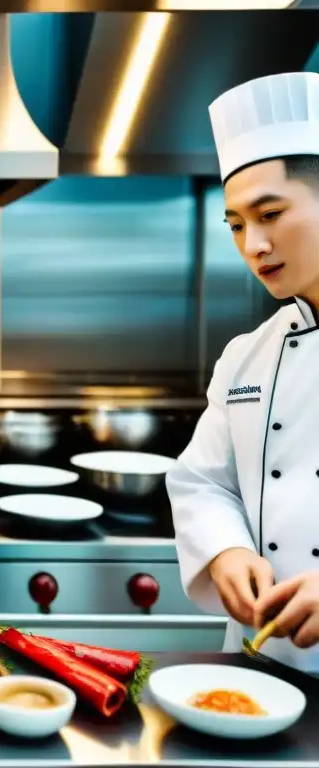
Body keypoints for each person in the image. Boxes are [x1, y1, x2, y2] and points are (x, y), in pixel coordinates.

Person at [167, 71, 319, 671]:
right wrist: (226, 551)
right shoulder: (246, 356)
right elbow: (204, 482)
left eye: (270, 213)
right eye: (234, 224)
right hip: (262, 668)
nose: (253, 245)